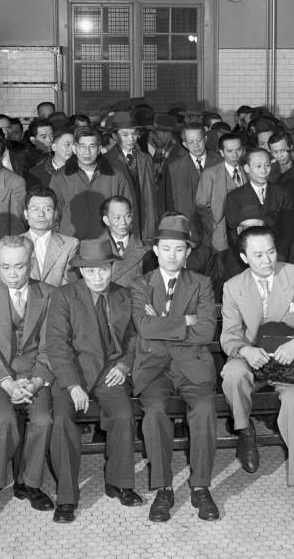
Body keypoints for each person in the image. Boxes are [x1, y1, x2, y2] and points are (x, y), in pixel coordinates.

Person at [221, 225, 294, 518]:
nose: (268, 260)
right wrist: (245, 350)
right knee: (232, 374)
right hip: (252, 357)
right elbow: (229, 335)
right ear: (244, 257)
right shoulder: (233, 287)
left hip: (289, 361)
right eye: (258, 255)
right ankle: (244, 432)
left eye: (271, 251)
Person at [42, 238, 143, 523]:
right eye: (91, 271)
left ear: (112, 267)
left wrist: (124, 364)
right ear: (81, 272)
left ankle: (119, 481)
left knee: (124, 416)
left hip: (109, 372)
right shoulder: (63, 296)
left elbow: (135, 335)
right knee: (62, 422)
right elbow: (57, 345)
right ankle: (66, 496)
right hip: (73, 373)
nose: (98, 277)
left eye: (103, 270)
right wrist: (73, 385)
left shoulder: (124, 295)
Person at [130, 215, 219, 523]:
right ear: (156, 249)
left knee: (205, 409)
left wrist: (162, 325)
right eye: (166, 248)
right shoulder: (141, 284)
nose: (172, 255)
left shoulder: (202, 283)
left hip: (192, 364)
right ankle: (163, 487)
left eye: (179, 249)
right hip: (154, 367)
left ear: (188, 252)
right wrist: (184, 321)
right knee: (154, 411)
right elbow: (143, 326)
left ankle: (201, 486)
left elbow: (206, 331)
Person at [0, 235, 56, 525]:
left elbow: (52, 346)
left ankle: (29, 483)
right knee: (4, 419)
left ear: (30, 263)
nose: (13, 274)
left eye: (19, 266)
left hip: (33, 375)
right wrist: (8, 383)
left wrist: (35, 382)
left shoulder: (49, 294)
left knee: (42, 420)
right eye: (5, 267)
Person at [49, 126, 136, 240]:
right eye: (82, 146)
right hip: (71, 244)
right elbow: (53, 213)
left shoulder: (116, 176)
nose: (87, 152)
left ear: (99, 149)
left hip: (107, 244)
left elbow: (129, 210)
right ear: (74, 149)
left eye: (92, 146)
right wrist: (59, 242)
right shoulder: (60, 177)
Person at [224, 147, 294, 257]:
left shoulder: (282, 192)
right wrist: (246, 257)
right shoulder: (234, 197)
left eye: (267, 165)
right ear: (247, 168)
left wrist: (279, 255)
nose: (263, 171)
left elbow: (288, 229)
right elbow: (233, 233)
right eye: (258, 166)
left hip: (278, 254)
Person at [105, 111, 159, 240]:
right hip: (122, 218)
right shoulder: (106, 161)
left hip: (145, 216)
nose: (131, 139)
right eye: (125, 135)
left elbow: (150, 193)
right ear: (114, 136)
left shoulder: (145, 158)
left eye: (134, 133)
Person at [164, 122, 220, 245]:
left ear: (205, 139)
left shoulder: (220, 162)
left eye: (199, 140)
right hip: (188, 229)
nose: (196, 145)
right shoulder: (174, 167)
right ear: (184, 144)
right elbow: (171, 202)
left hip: (216, 228)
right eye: (191, 142)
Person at [195, 131, 247, 252]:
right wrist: (213, 228)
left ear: (243, 150)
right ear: (222, 152)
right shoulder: (210, 174)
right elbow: (201, 205)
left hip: (245, 230)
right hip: (220, 233)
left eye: (238, 150)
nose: (235, 154)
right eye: (229, 151)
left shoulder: (248, 170)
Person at [22, 187, 79, 287]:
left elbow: (69, 285)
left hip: (58, 301)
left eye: (47, 209)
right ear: (26, 214)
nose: (41, 214)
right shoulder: (11, 244)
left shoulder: (71, 245)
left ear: (55, 214)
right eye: (35, 209)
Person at [98, 195, 149, 286]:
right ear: (106, 220)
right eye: (117, 217)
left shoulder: (146, 251)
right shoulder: (96, 248)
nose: (123, 222)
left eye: (127, 216)